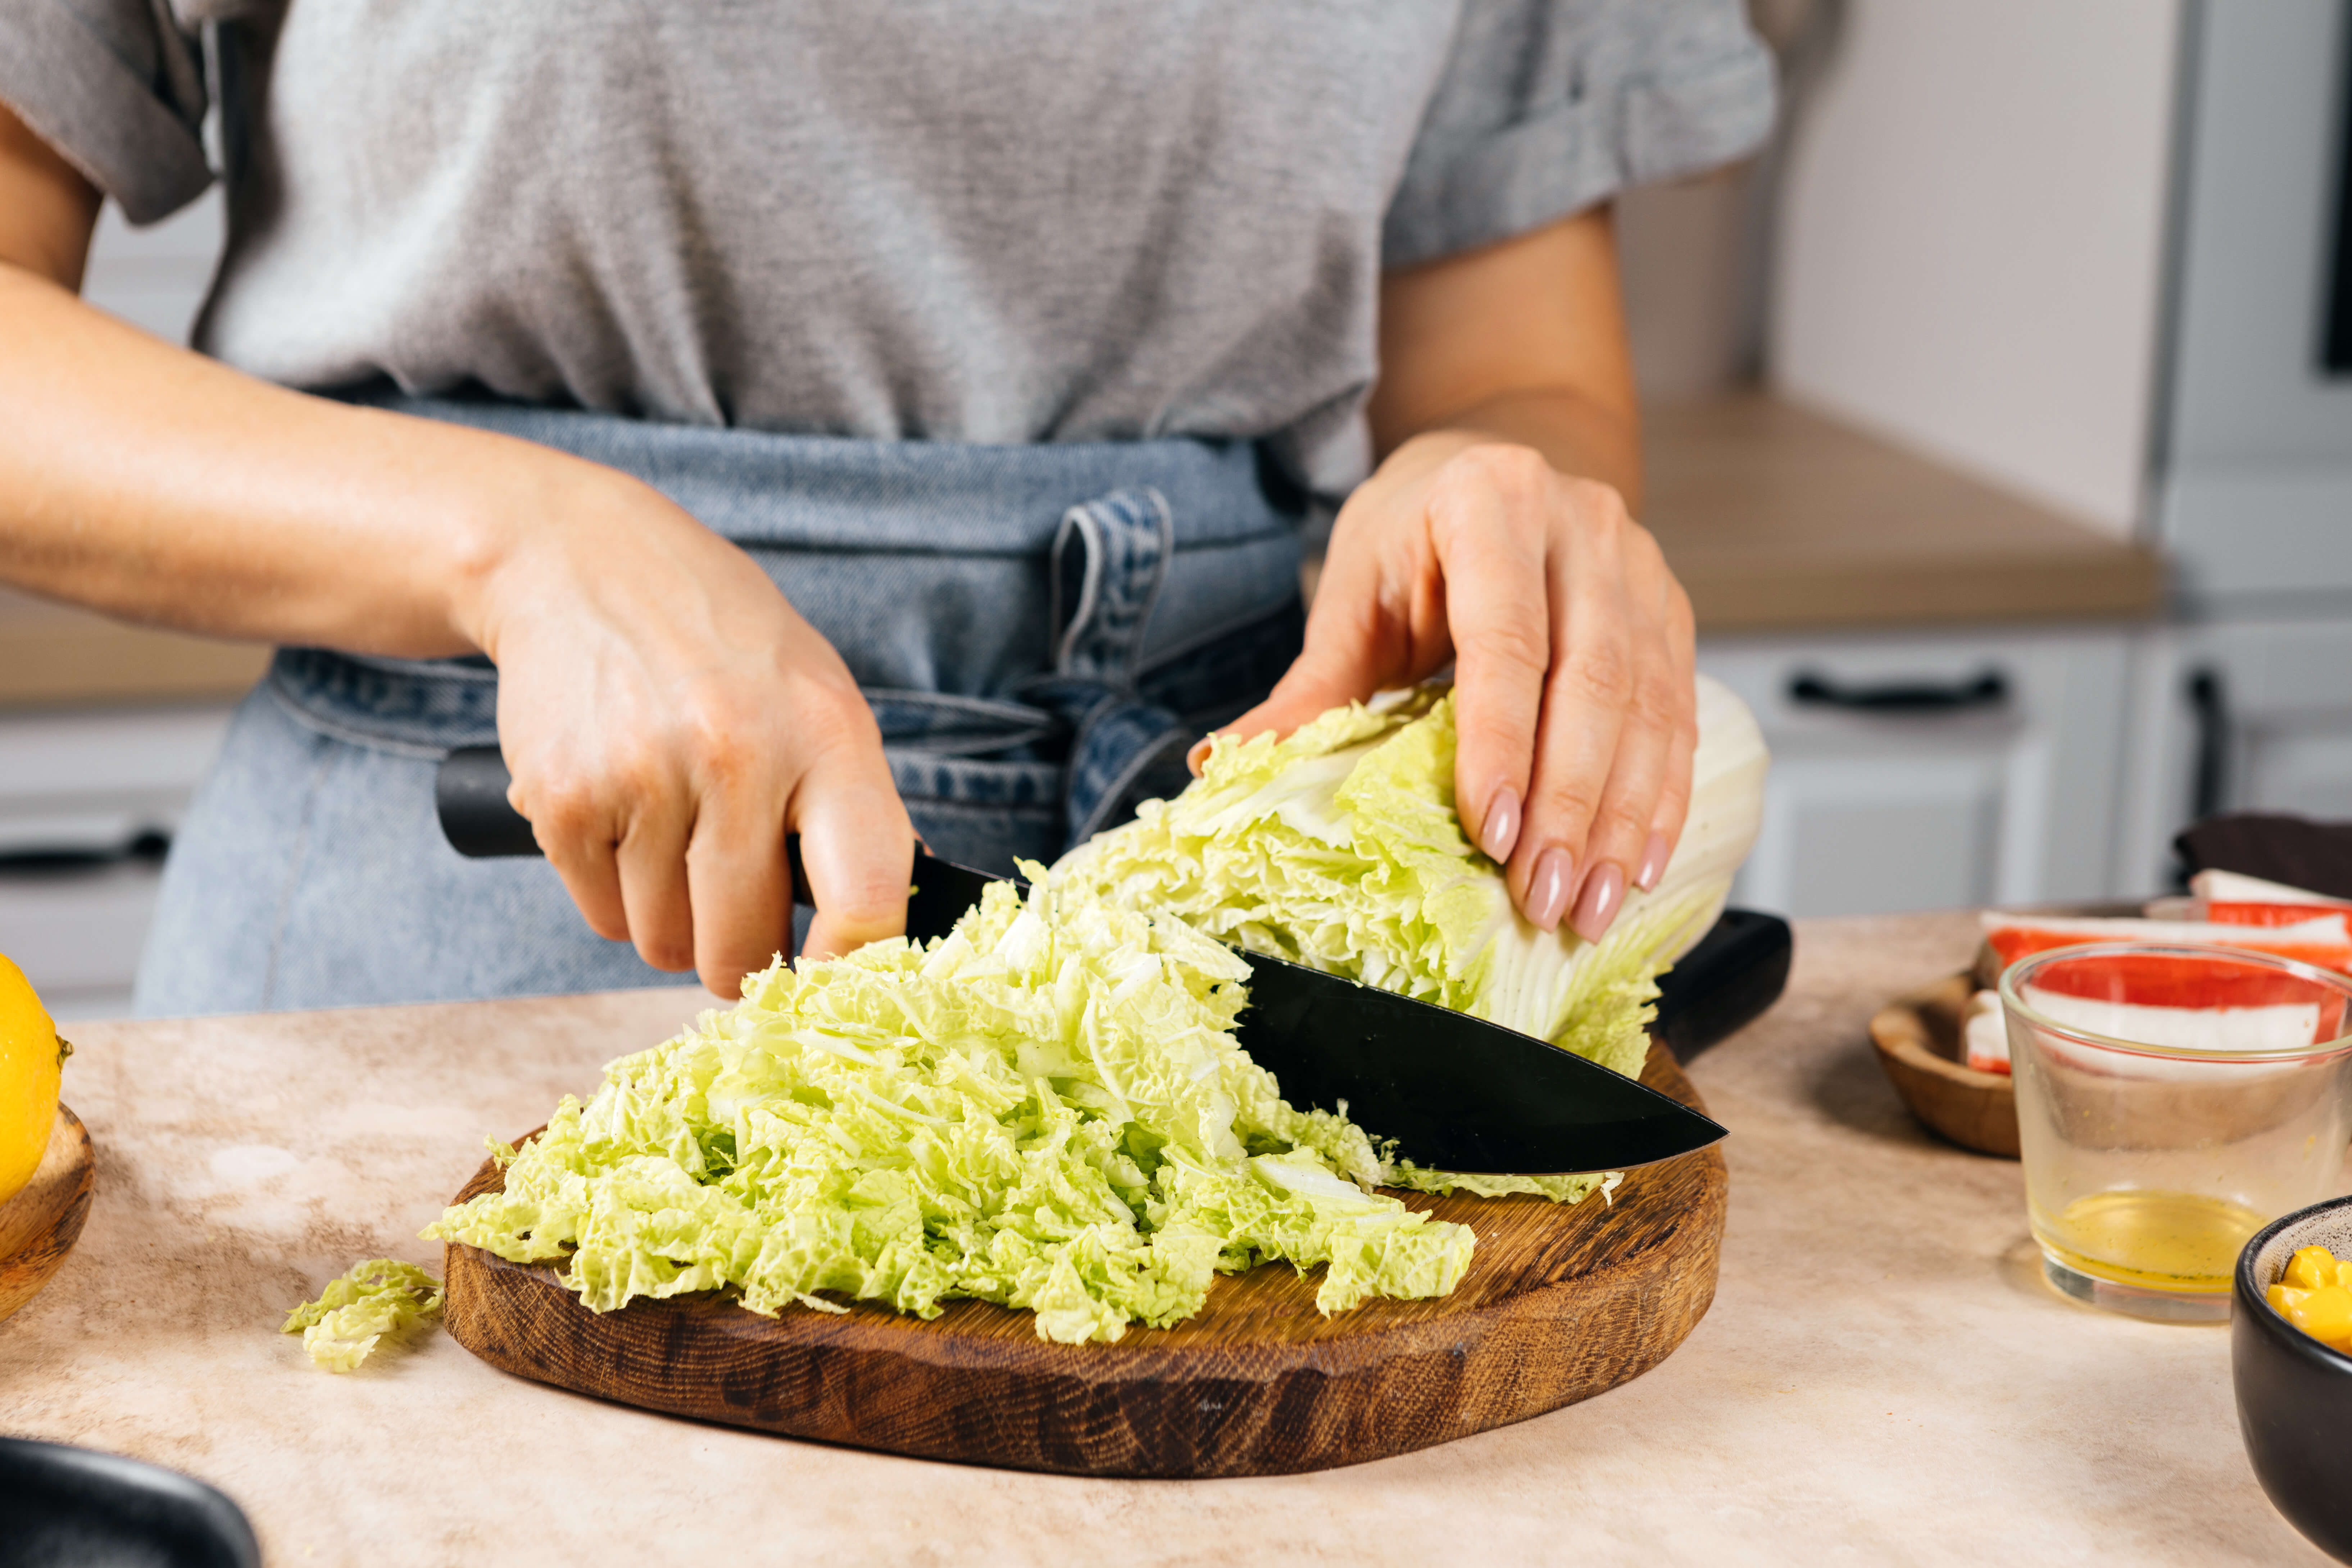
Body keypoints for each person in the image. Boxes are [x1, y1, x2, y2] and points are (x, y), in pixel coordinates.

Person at [0, 1, 1773, 1014]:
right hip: (479, 897)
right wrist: (522, 542)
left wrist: (1483, 480)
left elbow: (1511, 364)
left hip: (1229, 876)